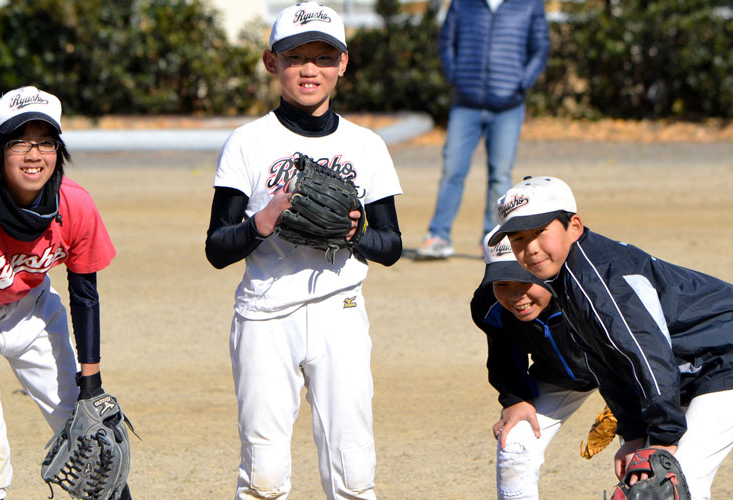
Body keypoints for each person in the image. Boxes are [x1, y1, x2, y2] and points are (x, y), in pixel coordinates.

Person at [204, 3, 403, 498]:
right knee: (264, 474)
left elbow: (392, 245)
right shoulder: (248, 143)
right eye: (295, 57)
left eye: (323, 56)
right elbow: (216, 247)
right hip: (265, 316)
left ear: (342, 65)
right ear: (272, 63)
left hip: (341, 311)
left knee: (353, 471)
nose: (309, 69)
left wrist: (356, 235)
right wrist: (263, 222)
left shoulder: (367, 145)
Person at [488, 175, 733, 500]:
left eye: (540, 232)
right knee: (656, 485)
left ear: (574, 227)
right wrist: (634, 433)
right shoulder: (566, 275)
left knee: (671, 482)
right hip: (690, 362)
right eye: (519, 238)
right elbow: (605, 362)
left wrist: (662, 440)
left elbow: (646, 353)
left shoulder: (599, 278)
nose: (531, 247)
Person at [0, 86, 131, 500]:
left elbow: (84, 294)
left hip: (32, 312)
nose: (34, 155)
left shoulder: (76, 205)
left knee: (94, 442)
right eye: (19, 141)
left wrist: (92, 384)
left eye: (46, 142)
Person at [472, 228, 628, 500]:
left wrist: (632, 408)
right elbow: (503, 351)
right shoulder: (490, 305)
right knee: (515, 441)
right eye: (502, 283)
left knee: (649, 460)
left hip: (631, 375)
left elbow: (642, 353)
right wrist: (515, 397)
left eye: (524, 282)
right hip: (559, 375)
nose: (514, 296)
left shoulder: (592, 291)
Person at [417, 0, 550, 259]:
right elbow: (446, 40)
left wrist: (522, 82)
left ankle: (493, 238)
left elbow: (540, 47)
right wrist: (455, 75)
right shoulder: (462, 3)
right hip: (465, 103)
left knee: (500, 175)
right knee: (452, 172)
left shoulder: (529, 4)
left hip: (508, 104)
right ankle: (438, 235)